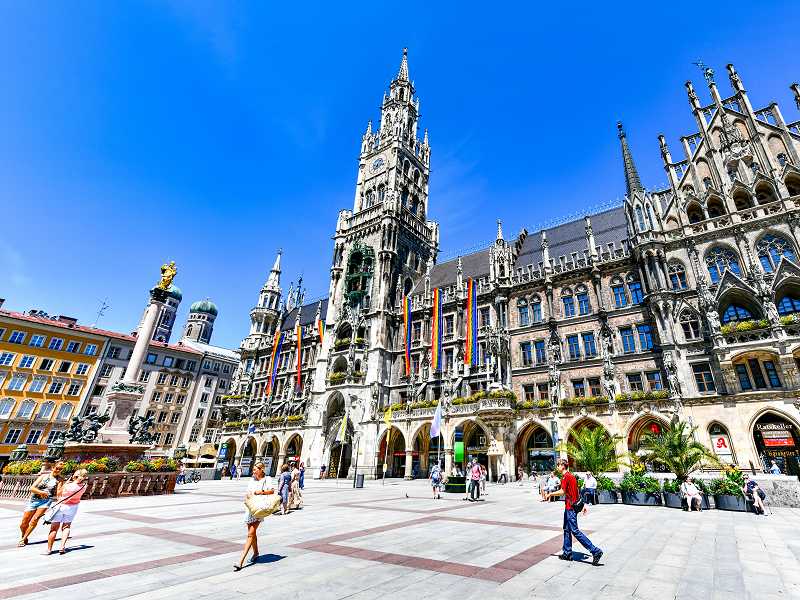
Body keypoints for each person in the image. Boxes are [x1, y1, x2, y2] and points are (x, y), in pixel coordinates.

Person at [545, 458, 603, 565]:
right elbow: (577, 491)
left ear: (562, 466)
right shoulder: (571, 476)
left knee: (575, 531)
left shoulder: (566, 477)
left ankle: (595, 551)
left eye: (558, 465)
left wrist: (550, 494)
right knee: (567, 529)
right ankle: (567, 553)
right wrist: (584, 504)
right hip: (570, 507)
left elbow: (562, 491)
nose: (557, 467)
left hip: (571, 508)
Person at [235, 462, 274, 571]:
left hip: (259, 509)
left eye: (255, 469)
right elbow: (248, 492)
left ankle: (240, 561)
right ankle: (256, 553)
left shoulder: (267, 479)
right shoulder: (251, 480)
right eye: (253, 469)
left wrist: (261, 492)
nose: (253, 471)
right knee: (252, 534)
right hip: (250, 508)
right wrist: (247, 495)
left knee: (250, 534)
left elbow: (272, 491)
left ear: (262, 469)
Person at [18, 461, 64, 547]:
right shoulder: (43, 476)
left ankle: (23, 539)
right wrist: (41, 492)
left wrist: (63, 490)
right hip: (33, 500)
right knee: (23, 523)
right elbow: (32, 488)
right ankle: (24, 535)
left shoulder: (60, 479)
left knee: (34, 520)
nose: (58, 470)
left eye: (60, 469)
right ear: (53, 468)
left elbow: (59, 493)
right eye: (57, 468)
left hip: (46, 502)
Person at [44, 468, 88, 555]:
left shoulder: (68, 485)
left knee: (54, 528)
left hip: (61, 506)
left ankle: (49, 549)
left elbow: (58, 494)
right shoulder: (84, 486)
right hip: (73, 507)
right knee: (66, 527)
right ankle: (62, 547)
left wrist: (65, 483)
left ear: (74, 476)